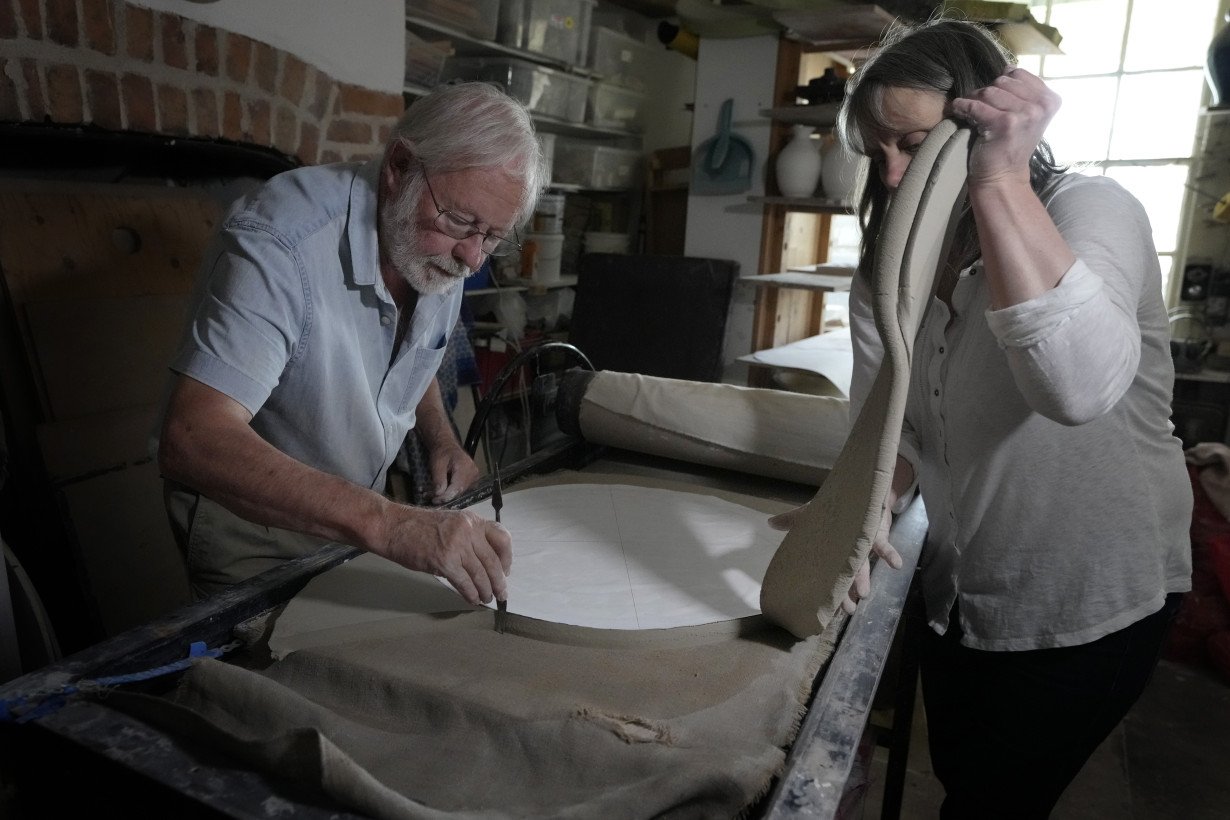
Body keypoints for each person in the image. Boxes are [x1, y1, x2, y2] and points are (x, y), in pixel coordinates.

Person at [773, 18, 1192, 819]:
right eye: (877, 150)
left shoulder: (1093, 211)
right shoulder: (888, 271)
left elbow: (1075, 390)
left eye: (915, 144)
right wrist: (855, 516)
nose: (892, 177)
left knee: (991, 802)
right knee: (965, 774)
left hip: (1089, 598)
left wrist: (998, 180)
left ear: (983, 126)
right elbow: (890, 429)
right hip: (962, 590)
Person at [157, 81, 546, 606]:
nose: (474, 258)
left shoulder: (439, 247)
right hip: (256, 535)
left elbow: (409, 350)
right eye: (461, 222)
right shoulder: (280, 243)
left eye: (495, 236)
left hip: (358, 521)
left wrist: (442, 440)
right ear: (399, 166)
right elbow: (193, 438)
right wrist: (393, 525)